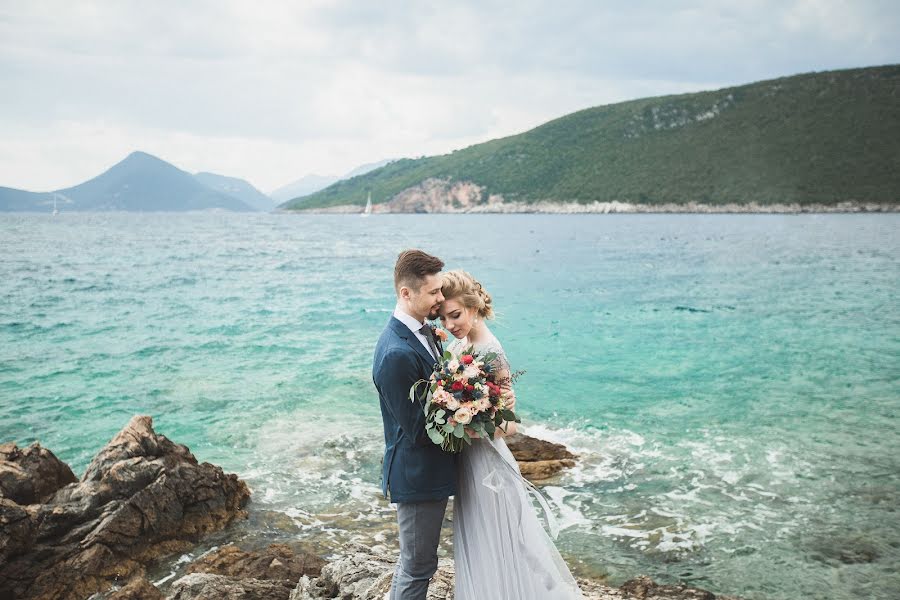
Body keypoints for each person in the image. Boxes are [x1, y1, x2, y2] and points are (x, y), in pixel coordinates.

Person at [438, 269, 584, 600]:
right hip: (467, 464)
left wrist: (466, 420)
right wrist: (446, 409)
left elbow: (509, 426)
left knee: (499, 542)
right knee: (475, 539)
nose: (449, 325)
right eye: (443, 318)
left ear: (473, 307)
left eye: (455, 315)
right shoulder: (459, 345)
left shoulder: (492, 351)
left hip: (489, 466)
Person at [373, 249, 457, 600]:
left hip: (425, 474)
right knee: (418, 568)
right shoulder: (396, 354)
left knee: (412, 564)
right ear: (406, 293)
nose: (441, 297)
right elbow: (421, 431)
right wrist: (471, 412)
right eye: (434, 292)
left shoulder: (423, 332)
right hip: (417, 476)